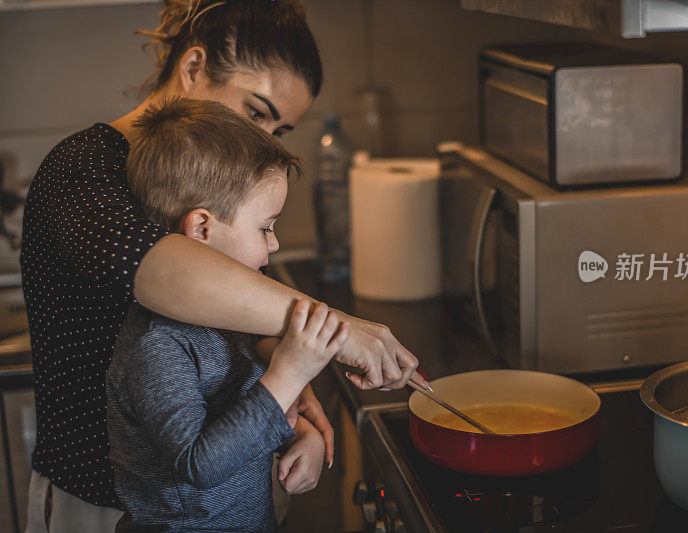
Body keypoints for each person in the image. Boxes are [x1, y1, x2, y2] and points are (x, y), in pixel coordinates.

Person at [21, 0, 427, 530]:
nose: (261, 139)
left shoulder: (218, 186)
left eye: (278, 131)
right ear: (191, 69)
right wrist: (336, 329)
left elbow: (231, 325)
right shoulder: (81, 170)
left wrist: (284, 382)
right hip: (107, 507)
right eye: (256, 112)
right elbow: (159, 271)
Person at [107, 97, 335, 532]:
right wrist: (287, 375)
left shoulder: (223, 315)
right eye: (266, 227)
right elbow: (199, 464)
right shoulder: (156, 346)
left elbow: (241, 407)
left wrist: (299, 431)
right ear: (202, 229)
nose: (275, 245)